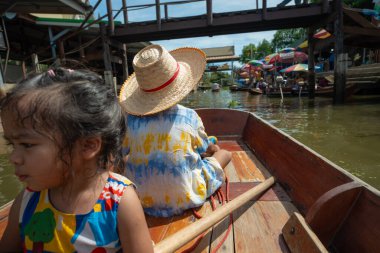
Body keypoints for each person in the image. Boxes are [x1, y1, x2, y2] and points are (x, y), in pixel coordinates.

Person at [0, 68, 153, 252]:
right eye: (12, 145)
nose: (14, 158)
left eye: (26, 145)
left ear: (88, 146)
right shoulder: (27, 200)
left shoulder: (120, 202)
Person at [119, 44, 232, 217]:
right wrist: (214, 149)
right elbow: (205, 150)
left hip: (139, 201)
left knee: (127, 160)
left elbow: (122, 153)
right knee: (224, 154)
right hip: (185, 196)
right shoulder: (189, 116)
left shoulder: (129, 120)